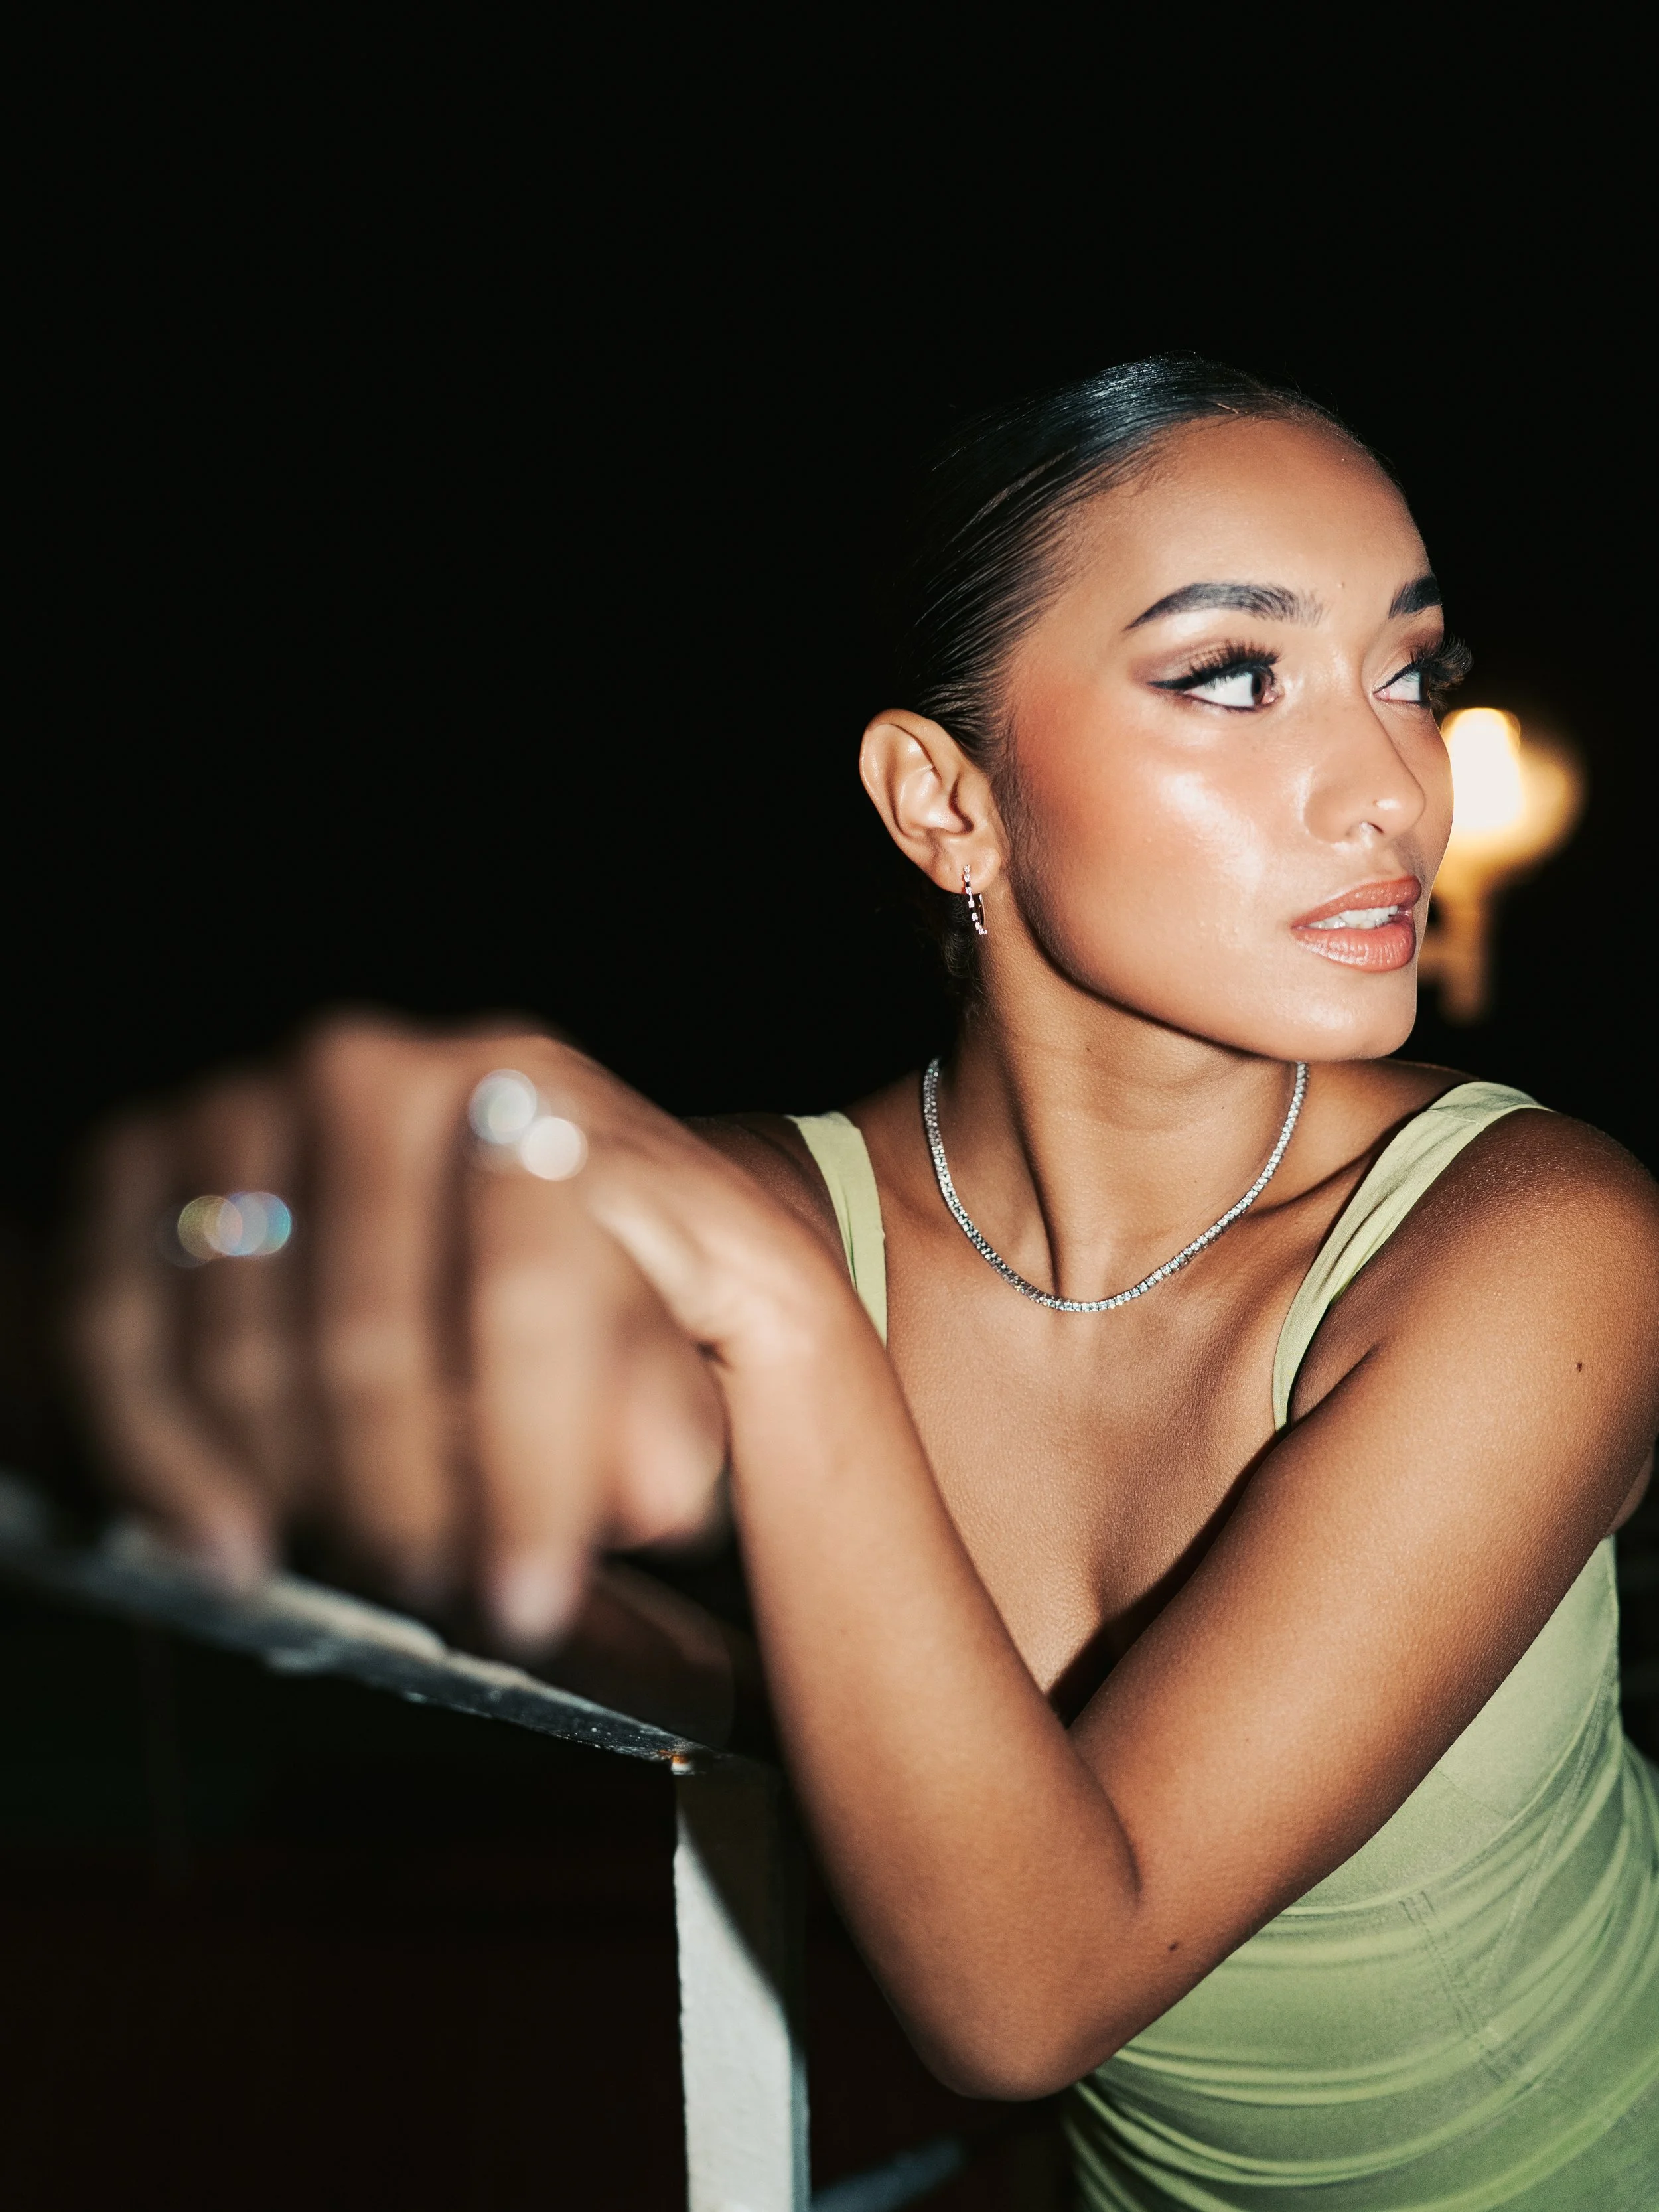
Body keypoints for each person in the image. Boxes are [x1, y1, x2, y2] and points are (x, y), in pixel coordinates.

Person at [68, 358, 1659, 2205]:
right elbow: (711, 1645)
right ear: (941, 802)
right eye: (1235, 676)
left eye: (1409, 671)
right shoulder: (776, 1214)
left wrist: (787, 1320)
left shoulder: (1532, 1238)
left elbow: (1031, 1986)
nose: (1390, 787)